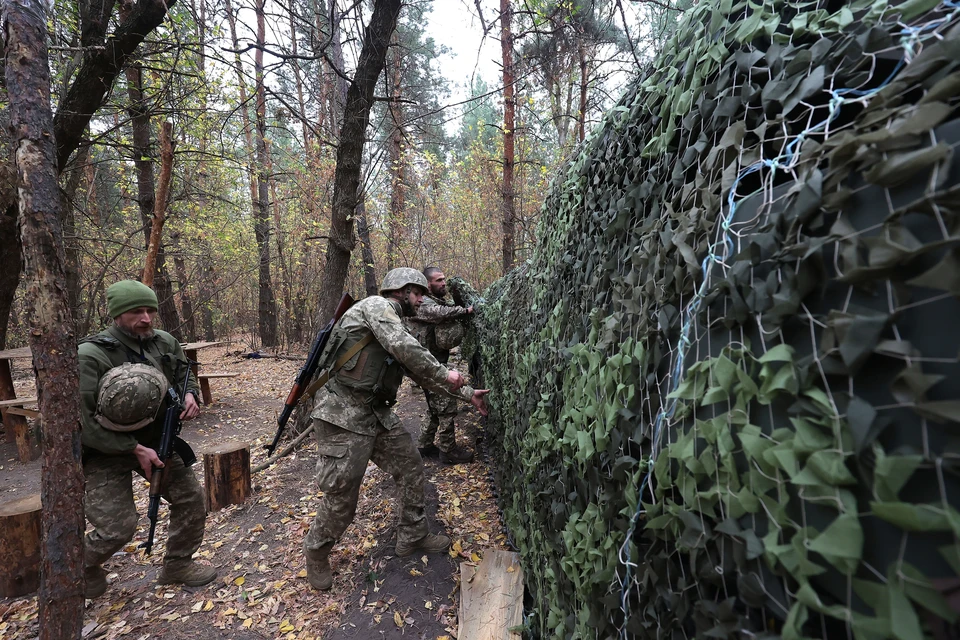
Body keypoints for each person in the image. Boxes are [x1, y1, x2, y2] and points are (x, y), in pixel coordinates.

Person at [302, 268, 490, 591]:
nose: (420, 300)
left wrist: (466, 394)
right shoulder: (377, 307)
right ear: (401, 290)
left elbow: (421, 372)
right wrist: (447, 373)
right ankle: (316, 552)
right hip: (342, 415)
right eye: (417, 293)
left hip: (375, 412)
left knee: (410, 464)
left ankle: (412, 534)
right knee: (343, 498)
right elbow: (406, 349)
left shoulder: (395, 324)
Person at [79, 280, 218, 598]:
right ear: (116, 315)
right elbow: (82, 423)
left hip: (158, 440)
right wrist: (131, 448)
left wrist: (191, 395)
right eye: (136, 312)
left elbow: (186, 372)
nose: (145, 318)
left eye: (149, 310)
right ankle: (80, 566)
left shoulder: (164, 342)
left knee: (192, 501)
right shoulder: (91, 355)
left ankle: (178, 564)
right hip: (104, 449)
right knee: (117, 528)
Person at [406, 267, 475, 464]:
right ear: (428, 284)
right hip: (429, 365)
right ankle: (448, 450)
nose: (444, 283)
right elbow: (438, 314)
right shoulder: (422, 304)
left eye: (444, 279)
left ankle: (424, 445)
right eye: (439, 280)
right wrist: (466, 311)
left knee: (434, 408)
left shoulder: (434, 300)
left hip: (432, 362)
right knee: (446, 406)